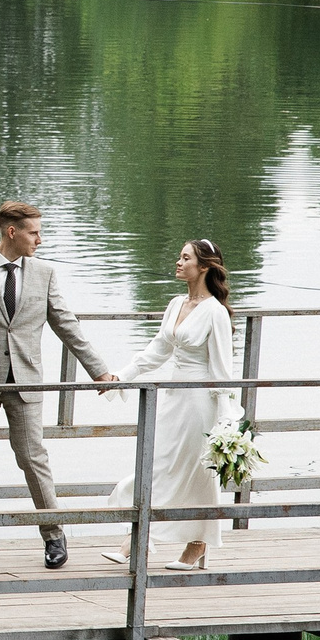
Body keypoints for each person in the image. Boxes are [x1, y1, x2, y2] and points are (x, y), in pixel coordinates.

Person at [0, 200, 117, 570]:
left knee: (33, 458)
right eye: (34, 232)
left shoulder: (45, 273)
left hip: (26, 382)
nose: (41, 238)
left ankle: (54, 535)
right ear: (12, 232)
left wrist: (97, 370)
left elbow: (66, 324)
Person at [102, 239, 240, 572]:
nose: (178, 262)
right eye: (179, 256)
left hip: (199, 402)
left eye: (185, 258)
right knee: (157, 465)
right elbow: (156, 351)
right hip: (173, 399)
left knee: (198, 474)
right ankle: (139, 537)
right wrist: (122, 375)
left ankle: (197, 545)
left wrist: (226, 419)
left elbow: (223, 371)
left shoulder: (215, 313)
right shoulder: (176, 303)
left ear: (204, 267)